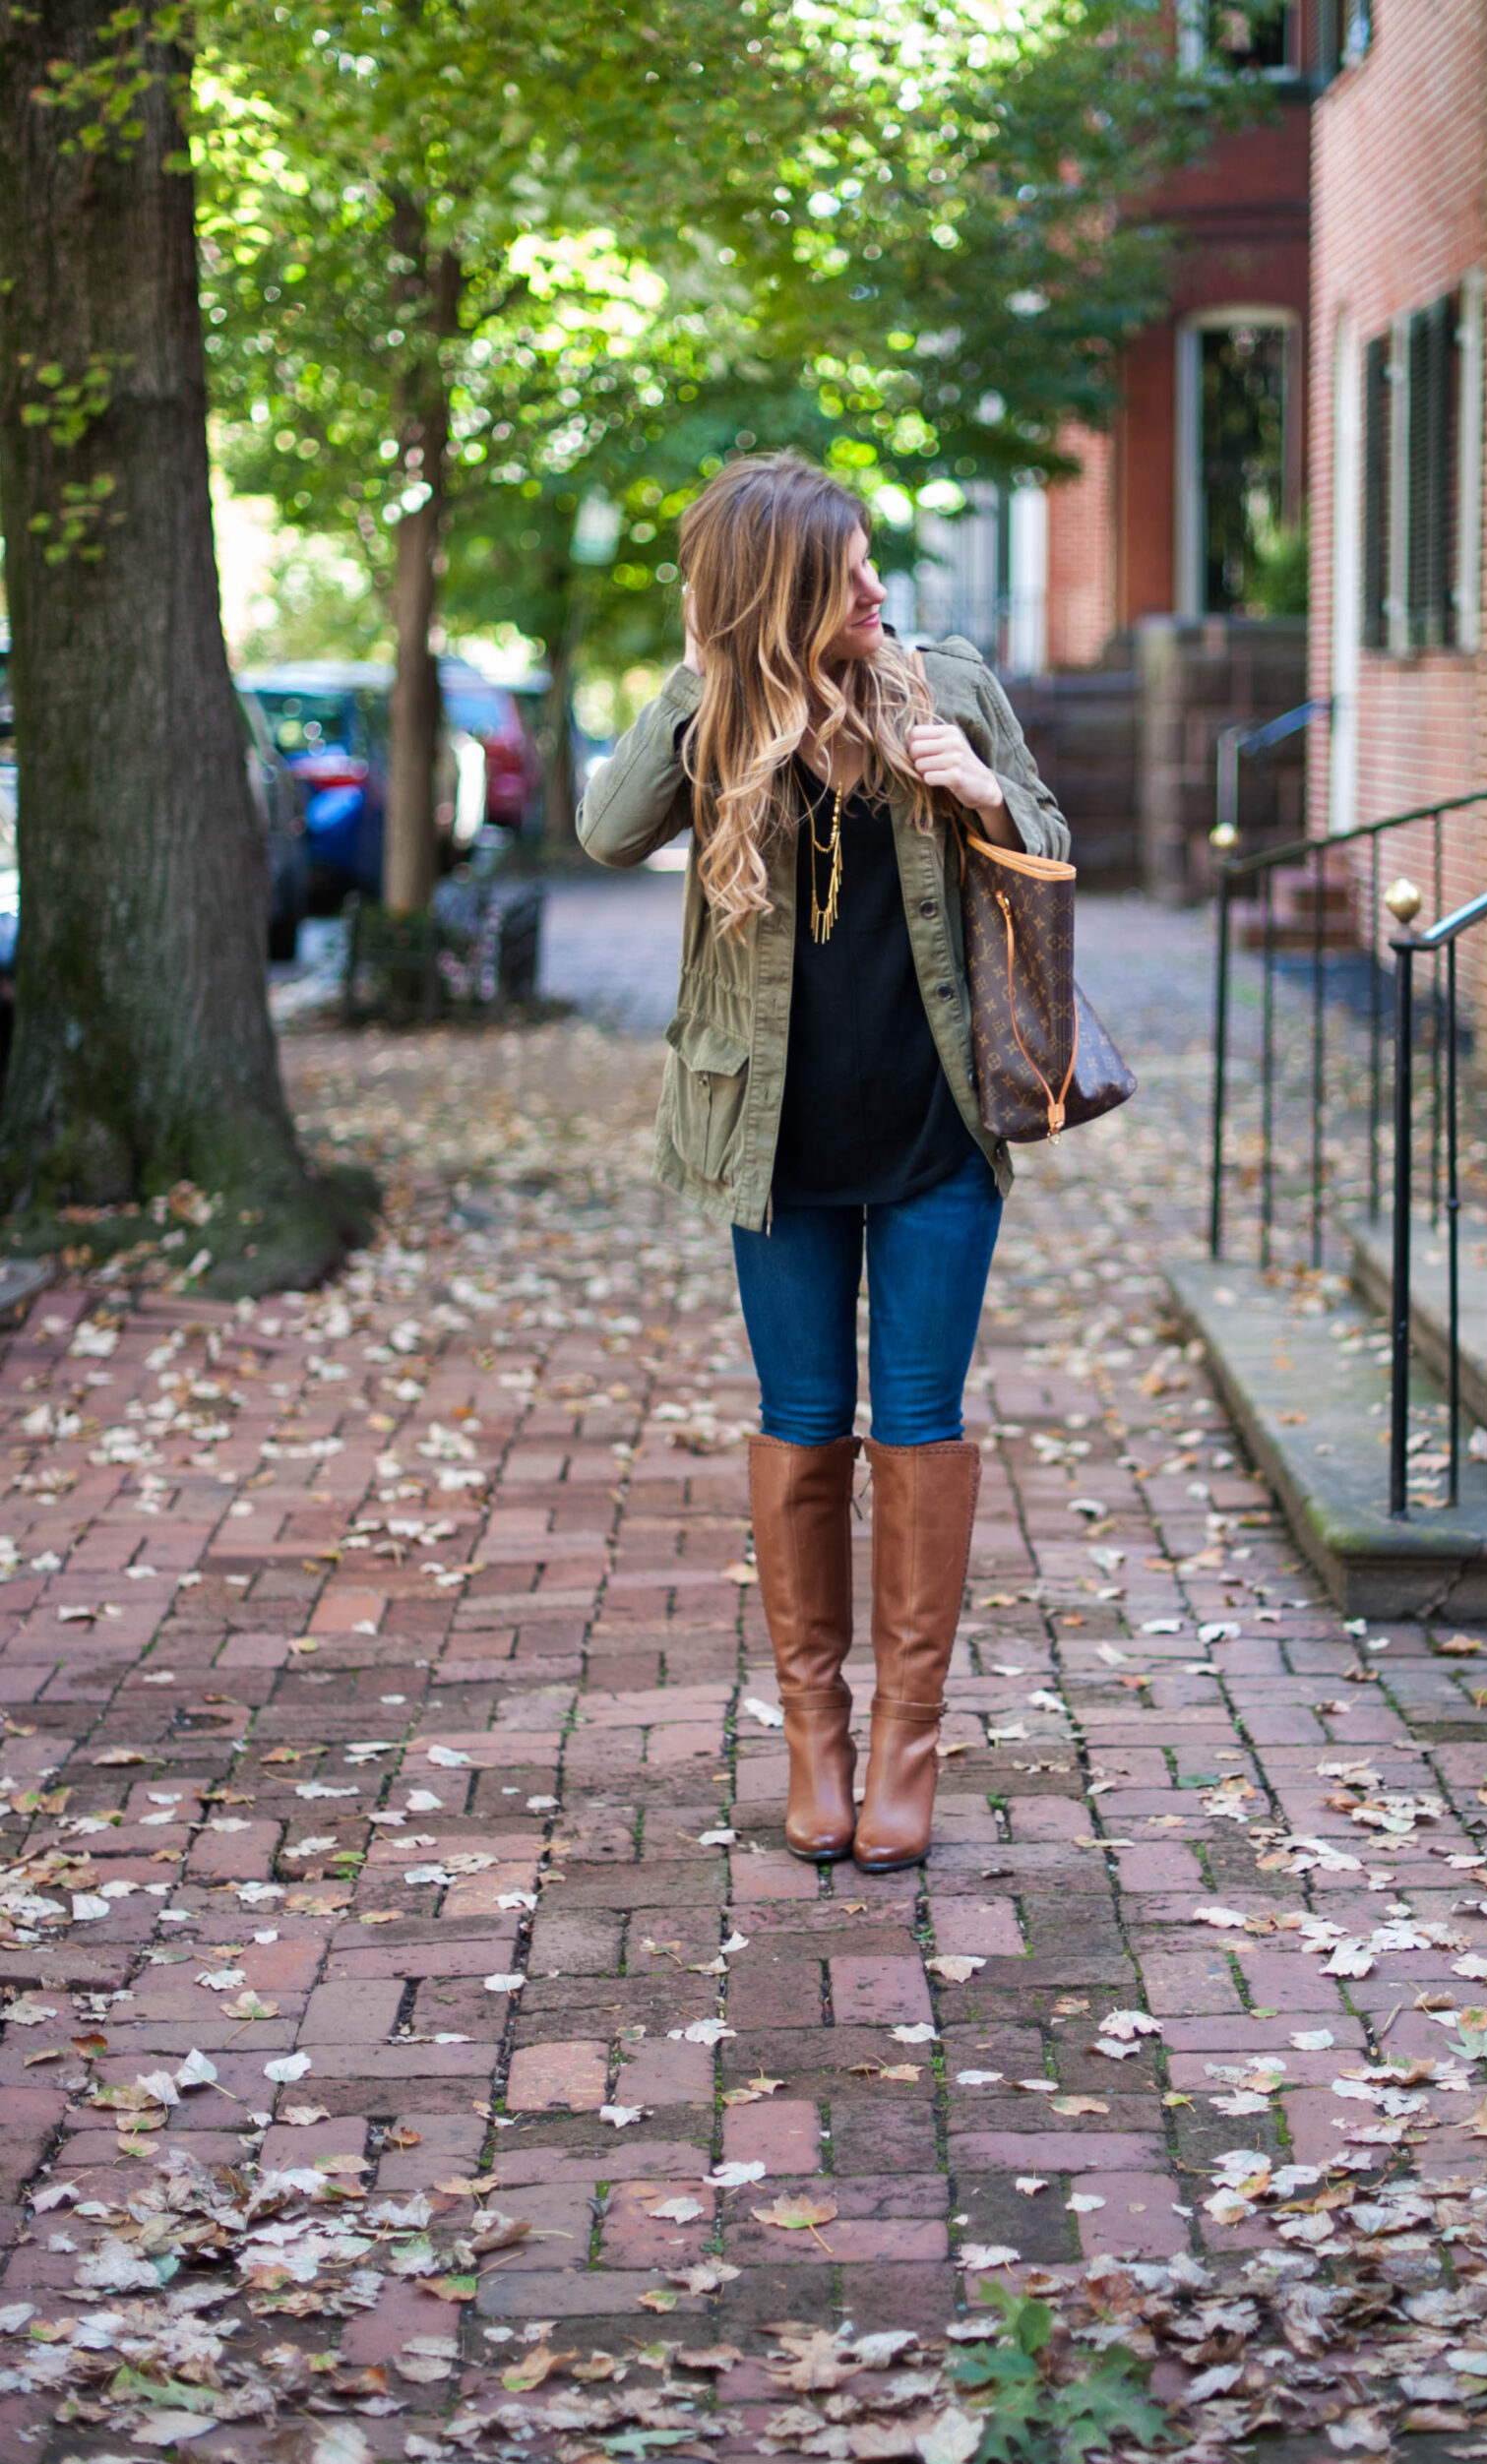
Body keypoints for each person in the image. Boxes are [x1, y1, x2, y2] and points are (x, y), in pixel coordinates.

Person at [580, 452, 1071, 1873]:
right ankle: (816, 1740)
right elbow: (607, 834)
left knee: (919, 1427)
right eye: (842, 573)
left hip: (937, 1140)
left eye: (870, 563)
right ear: (776, 597)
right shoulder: (721, 722)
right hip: (772, 1147)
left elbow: (1049, 843)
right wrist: (700, 668)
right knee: (801, 1426)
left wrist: (978, 787)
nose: (875, 587)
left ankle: (908, 1747)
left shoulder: (951, 684)